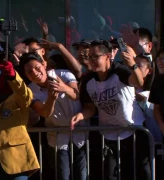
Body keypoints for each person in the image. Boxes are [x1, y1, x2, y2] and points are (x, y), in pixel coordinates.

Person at [71, 39, 150, 180]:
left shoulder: (120, 72)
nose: (91, 60)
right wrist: (81, 115)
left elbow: (138, 82)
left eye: (95, 56)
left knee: (138, 174)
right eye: (90, 57)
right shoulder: (88, 80)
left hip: (133, 131)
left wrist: (133, 65)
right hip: (108, 134)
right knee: (109, 175)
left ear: (107, 56)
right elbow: (90, 108)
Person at [19, 52, 87, 180]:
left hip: (80, 133)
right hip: (57, 136)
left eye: (37, 68)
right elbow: (44, 113)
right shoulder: (30, 90)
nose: (34, 73)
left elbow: (76, 95)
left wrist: (64, 88)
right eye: (29, 72)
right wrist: (51, 98)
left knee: (81, 174)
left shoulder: (63, 74)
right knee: (62, 174)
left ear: (44, 64)